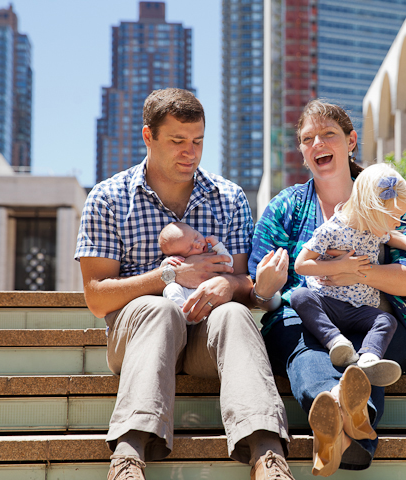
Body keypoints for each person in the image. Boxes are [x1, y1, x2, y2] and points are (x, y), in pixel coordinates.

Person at [75, 88, 294, 480]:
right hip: (137, 335)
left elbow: (246, 283)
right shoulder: (107, 198)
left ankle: (268, 457)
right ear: (148, 136)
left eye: (197, 142)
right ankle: (127, 458)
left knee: (234, 313)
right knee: (157, 308)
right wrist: (169, 276)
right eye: (177, 141)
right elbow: (96, 297)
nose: (189, 152)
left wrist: (230, 286)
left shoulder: (229, 197)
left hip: (205, 341)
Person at [248, 99, 406, 477]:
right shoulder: (284, 207)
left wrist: (354, 272)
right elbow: (261, 290)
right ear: (303, 151)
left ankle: (335, 422)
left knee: (371, 356)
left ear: (351, 141)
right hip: (307, 321)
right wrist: (265, 289)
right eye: (308, 138)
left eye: (328, 134)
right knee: (307, 347)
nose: (318, 143)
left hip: (376, 320)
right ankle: (354, 422)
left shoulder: (384, 198)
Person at [292, 163, 406, 388]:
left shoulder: (375, 230)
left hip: (358, 310)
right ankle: (335, 341)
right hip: (327, 304)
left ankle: (369, 358)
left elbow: (393, 236)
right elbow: (301, 265)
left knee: (386, 320)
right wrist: (341, 266)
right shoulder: (331, 230)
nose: (398, 223)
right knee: (300, 296)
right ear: (371, 209)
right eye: (395, 216)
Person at [159, 221, 234, 309]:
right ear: (179, 255)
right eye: (190, 248)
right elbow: (163, 272)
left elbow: (228, 263)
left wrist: (218, 246)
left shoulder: (212, 252)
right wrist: (168, 261)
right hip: (186, 294)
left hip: (207, 293)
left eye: (196, 236)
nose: (198, 244)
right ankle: (181, 310)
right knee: (170, 288)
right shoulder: (179, 260)